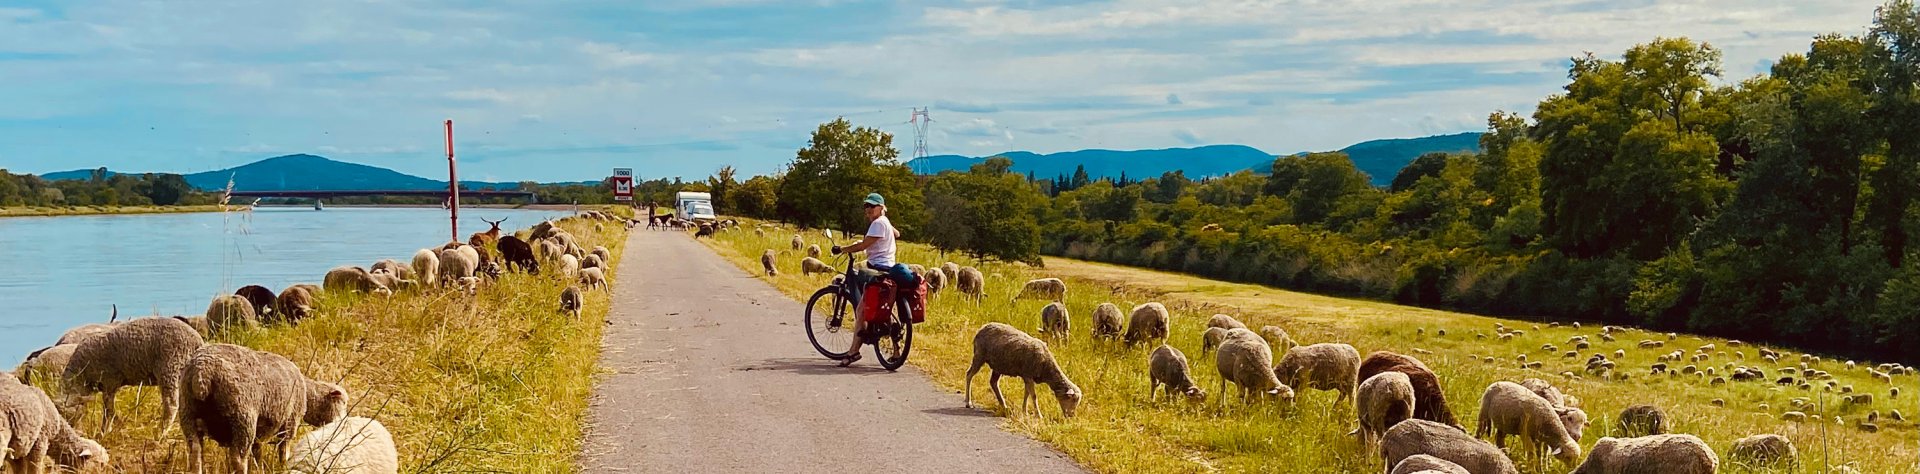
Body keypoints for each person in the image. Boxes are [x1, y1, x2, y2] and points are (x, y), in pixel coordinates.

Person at [829, 192, 902, 367]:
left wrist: (842, 249)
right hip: (888, 269)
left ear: (880, 207)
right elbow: (897, 234)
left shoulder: (878, 224)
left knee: (862, 309)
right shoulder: (884, 222)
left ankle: (854, 351)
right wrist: (886, 220)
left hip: (877, 270)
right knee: (884, 308)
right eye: (866, 206)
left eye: (871, 206)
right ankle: (897, 348)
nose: (867, 209)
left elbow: (863, 245)